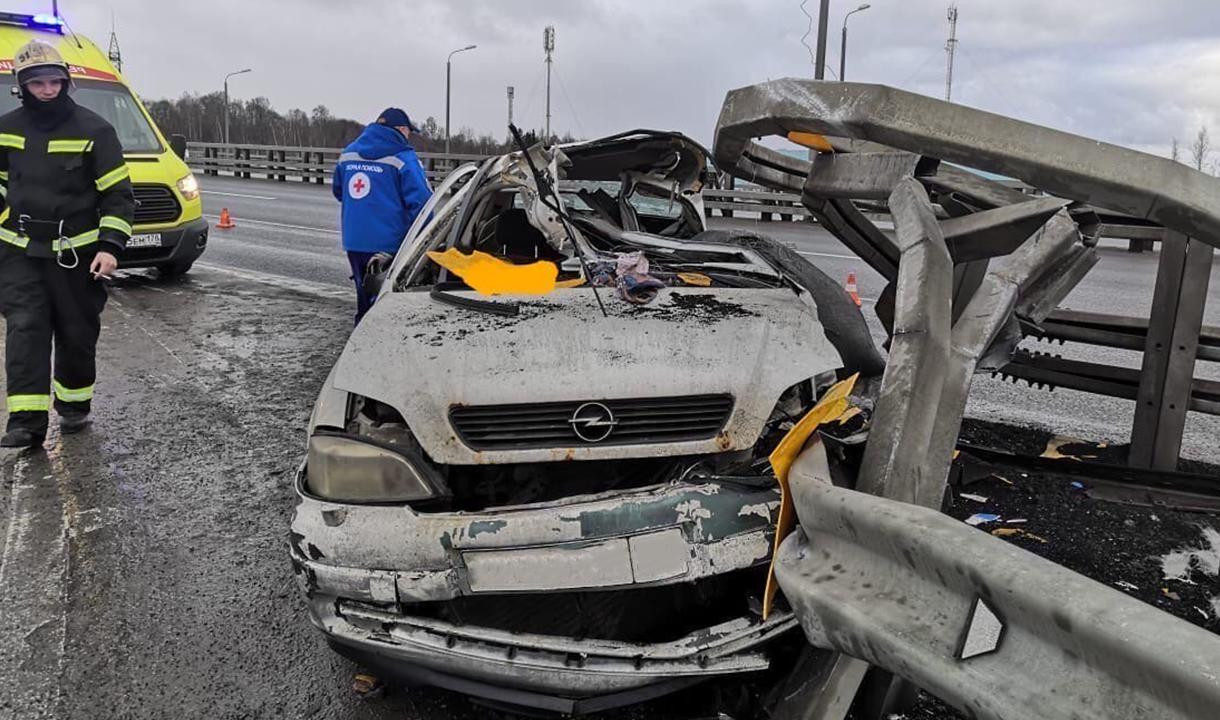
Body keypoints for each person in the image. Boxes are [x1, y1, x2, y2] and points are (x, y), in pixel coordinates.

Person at [0, 40, 135, 449]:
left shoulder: (95, 130)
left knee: (76, 333)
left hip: (76, 255)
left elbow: (118, 195)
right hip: (20, 253)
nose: (47, 89)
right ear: (21, 85)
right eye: (37, 82)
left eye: (54, 81)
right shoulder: (6, 129)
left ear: (66, 82)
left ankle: (74, 405)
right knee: (25, 330)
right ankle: (25, 421)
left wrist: (110, 247)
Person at [332, 107, 432, 323]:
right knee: (385, 301)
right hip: (390, 243)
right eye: (408, 131)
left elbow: (338, 192)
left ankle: (359, 336)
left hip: (354, 240)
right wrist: (429, 237)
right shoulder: (403, 157)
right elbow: (422, 203)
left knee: (364, 293)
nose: (408, 136)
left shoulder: (348, 154)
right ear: (401, 129)